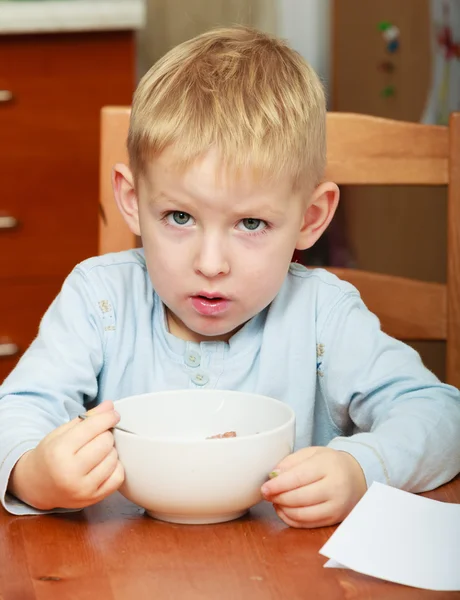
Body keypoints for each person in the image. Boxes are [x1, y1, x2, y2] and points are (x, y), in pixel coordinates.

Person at [1, 26, 459, 528]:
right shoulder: (100, 300)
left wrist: (360, 469)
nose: (212, 263)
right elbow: (18, 410)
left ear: (310, 218)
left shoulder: (323, 316)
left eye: (251, 223)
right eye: (179, 217)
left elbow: (442, 417)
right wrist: (30, 471)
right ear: (132, 201)